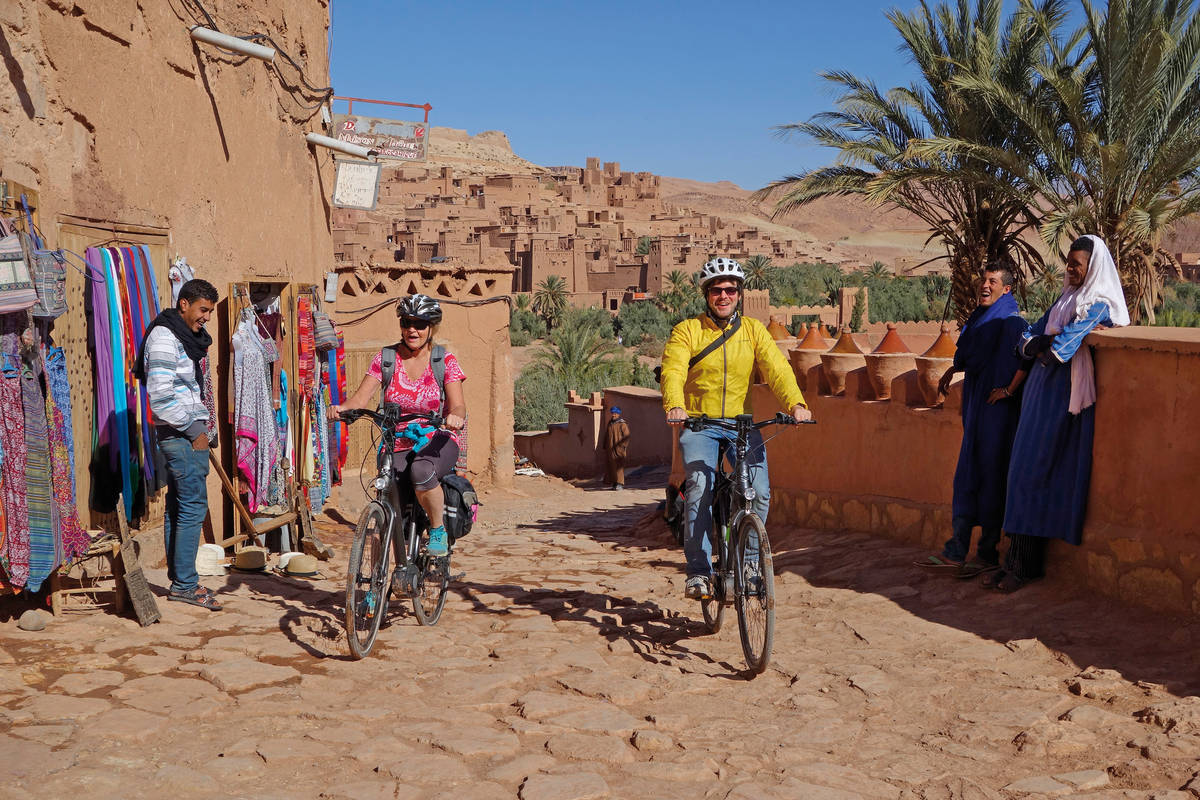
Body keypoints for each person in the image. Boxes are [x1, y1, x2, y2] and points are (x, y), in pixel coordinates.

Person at [660, 257, 811, 599]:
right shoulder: (688, 331)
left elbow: (777, 369)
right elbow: (674, 370)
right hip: (700, 423)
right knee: (699, 487)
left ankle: (751, 566)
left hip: (741, 426)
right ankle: (698, 572)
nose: (724, 296)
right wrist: (675, 405)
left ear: (740, 294)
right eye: (717, 290)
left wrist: (796, 405)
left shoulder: (754, 332)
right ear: (707, 295)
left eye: (730, 290)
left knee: (759, 491)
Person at [991, 235, 1129, 592]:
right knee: (1021, 468)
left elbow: (1061, 349)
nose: (1070, 268)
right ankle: (1016, 560)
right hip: (1041, 390)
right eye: (1068, 261)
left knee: (1035, 470)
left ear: (1093, 266)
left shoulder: (1098, 303)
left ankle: (1024, 565)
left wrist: (1040, 344)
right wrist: (1038, 343)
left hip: (1063, 393)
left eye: (1077, 263)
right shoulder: (1066, 299)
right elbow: (1025, 338)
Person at [330, 294, 466, 556]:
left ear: (431, 328)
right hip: (396, 439)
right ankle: (376, 583)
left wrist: (455, 417)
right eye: (407, 322)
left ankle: (437, 529)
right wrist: (340, 410)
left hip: (437, 438)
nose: (412, 329)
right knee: (388, 490)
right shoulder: (387, 359)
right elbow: (360, 398)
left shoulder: (443, 362)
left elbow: (458, 404)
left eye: (420, 324)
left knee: (421, 470)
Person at [916, 262, 1030, 577]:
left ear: (1006, 289)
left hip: (998, 415)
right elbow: (975, 355)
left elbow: (1024, 357)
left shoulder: (1010, 321)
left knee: (992, 478)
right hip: (978, 411)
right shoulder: (981, 319)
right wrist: (955, 369)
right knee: (967, 477)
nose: (984, 285)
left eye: (992, 281)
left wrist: (1008, 390)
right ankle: (956, 550)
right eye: (983, 280)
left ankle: (987, 552)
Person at [138, 278, 221, 611]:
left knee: (179, 505)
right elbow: (159, 398)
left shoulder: (184, 338)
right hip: (180, 434)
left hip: (186, 432)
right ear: (184, 304)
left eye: (211, 312)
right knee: (192, 507)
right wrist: (193, 430)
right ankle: (186, 584)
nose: (207, 318)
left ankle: (179, 578)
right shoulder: (163, 339)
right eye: (203, 310)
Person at [604, 405, 629, 490]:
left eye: (615, 413)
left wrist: (622, 446)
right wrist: (605, 446)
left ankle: (620, 483)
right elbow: (606, 435)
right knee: (612, 467)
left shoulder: (622, 424)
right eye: (612, 413)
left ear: (618, 414)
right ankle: (614, 483)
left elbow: (627, 436)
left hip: (619, 450)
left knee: (619, 467)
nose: (613, 415)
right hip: (610, 449)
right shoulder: (610, 423)